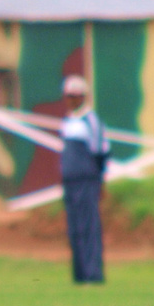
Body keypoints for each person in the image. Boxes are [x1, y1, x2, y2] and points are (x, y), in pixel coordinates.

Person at [59, 74, 110, 283]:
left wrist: (99, 180)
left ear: (83, 97)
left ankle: (93, 274)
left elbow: (100, 151)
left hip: (86, 181)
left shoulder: (91, 121)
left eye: (74, 96)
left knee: (89, 227)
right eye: (68, 96)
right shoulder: (68, 121)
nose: (70, 100)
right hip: (70, 182)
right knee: (74, 229)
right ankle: (79, 274)